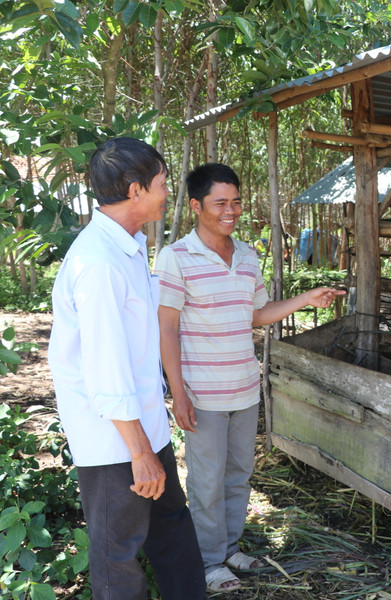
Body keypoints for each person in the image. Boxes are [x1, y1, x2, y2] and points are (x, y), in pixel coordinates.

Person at [154, 162, 344, 593]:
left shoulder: (245, 254)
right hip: (202, 392)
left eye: (236, 201)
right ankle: (207, 562)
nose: (231, 210)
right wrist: (177, 393)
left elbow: (255, 315)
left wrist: (304, 298)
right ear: (198, 206)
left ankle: (230, 547)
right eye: (221, 202)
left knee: (239, 472)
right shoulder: (176, 257)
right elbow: (166, 327)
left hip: (244, 385)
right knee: (206, 478)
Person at [47, 137, 206, 600]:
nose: (166, 192)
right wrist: (139, 453)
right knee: (119, 556)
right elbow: (106, 369)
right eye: (161, 184)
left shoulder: (129, 247)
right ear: (135, 190)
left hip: (145, 428)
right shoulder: (97, 262)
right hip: (116, 442)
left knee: (173, 531)